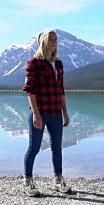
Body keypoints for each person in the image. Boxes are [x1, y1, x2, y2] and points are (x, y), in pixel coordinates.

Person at [21, 28, 71, 196]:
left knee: (57, 148)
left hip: (56, 113)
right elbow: (30, 90)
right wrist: (36, 114)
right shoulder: (33, 63)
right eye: (50, 39)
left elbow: (61, 90)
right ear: (43, 42)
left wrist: (65, 112)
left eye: (55, 40)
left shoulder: (59, 64)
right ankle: (28, 181)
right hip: (40, 112)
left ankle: (58, 179)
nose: (54, 43)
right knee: (34, 147)